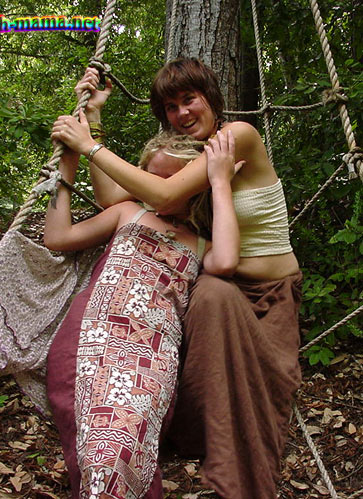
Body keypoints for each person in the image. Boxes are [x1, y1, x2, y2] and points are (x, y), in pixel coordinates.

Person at [50, 58, 303, 499]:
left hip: (267, 290)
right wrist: (94, 118)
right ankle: (175, 441)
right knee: (202, 301)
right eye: (170, 107)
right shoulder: (187, 160)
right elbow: (119, 197)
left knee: (213, 301)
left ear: (212, 98)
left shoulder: (235, 138)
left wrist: (87, 146)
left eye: (190, 99)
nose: (182, 113)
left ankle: (231, 467)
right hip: (216, 281)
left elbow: (163, 195)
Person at [45, 131, 240, 498]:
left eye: (174, 179)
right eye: (153, 177)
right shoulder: (128, 212)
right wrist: (67, 167)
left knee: (131, 443)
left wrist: (219, 181)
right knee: (100, 451)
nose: (161, 188)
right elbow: (57, 237)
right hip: (94, 334)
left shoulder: (201, 243)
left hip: (153, 354)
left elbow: (227, 261)